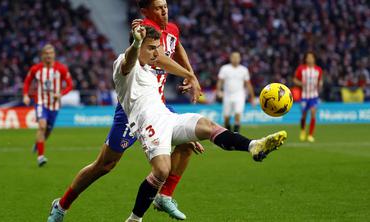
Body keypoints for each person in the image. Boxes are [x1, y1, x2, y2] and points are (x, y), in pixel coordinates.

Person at [47, 0, 202, 221]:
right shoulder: (145, 29)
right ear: (145, 11)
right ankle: (62, 205)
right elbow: (160, 59)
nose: (164, 10)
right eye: (158, 7)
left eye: (165, 5)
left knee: (188, 143)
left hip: (158, 105)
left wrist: (190, 71)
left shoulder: (172, 29)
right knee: (104, 165)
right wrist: (190, 76)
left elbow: (176, 45)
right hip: (133, 109)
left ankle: (165, 196)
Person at [120, 25, 287, 222]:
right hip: (146, 122)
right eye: (151, 48)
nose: (156, 52)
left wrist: (188, 77)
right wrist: (137, 42)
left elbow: (161, 88)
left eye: (157, 47)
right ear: (137, 46)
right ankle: (134, 219)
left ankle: (253, 145)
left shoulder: (149, 70)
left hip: (166, 117)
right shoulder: (123, 63)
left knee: (207, 125)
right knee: (162, 170)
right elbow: (129, 62)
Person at [23, 44, 73, 166]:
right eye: (46, 53)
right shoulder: (36, 69)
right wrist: (25, 95)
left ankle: (38, 144)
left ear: (54, 55)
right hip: (40, 102)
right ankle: (40, 157)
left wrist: (60, 94)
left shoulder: (61, 69)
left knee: (47, 131)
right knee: (42, 126)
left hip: (54, 105)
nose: (48, 56)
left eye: (50, 53)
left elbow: (70, 85)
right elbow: (27, 81)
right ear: (42, 56)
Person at [216, 52, 255, 132]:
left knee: (238, 114)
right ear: (230, 58)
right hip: (227, 95)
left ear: (240, 59)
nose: (235, 59)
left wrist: (252, 97)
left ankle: (236, 135)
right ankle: (229, 133)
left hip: (239, 95)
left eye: (237, 57)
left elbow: (248, 84)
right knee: (226, 117)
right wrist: (218, 91)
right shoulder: (225, 68)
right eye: (234, 57)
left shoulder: (244, 70)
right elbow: (220, 81)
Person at [293, 52, 323, 142]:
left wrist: (320, 84)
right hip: (304, 96)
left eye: (311, 57)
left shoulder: (318, 69)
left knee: (313, 113)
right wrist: (300, 83)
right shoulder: (301, 69)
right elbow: (294, 79)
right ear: (306, 59)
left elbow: (320, 80)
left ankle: (310, 135)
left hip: (314, 96)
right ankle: (302, 131)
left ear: (314, 59)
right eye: (308, 57)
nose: (309, 59)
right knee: (304, 115)